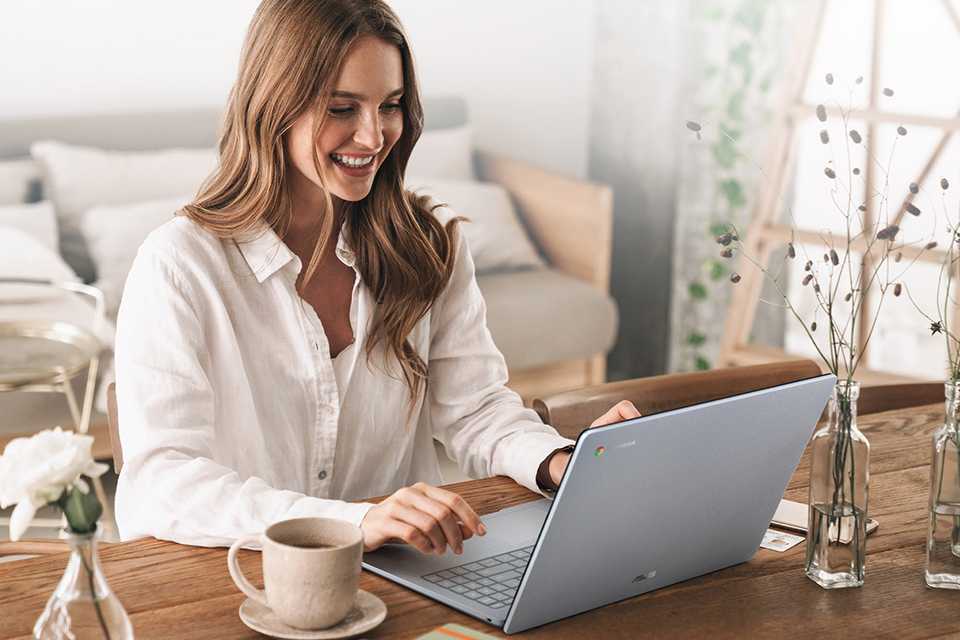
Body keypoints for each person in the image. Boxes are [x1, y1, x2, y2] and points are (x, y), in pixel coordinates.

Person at [113, 0, 640, 556]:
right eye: (342, 108)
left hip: (411, 574)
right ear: (273, 105)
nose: (372, 137)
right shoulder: (180, 265)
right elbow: (160, 483)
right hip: (246, 578)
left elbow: (476, 408)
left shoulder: (430, 243)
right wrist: (352, 522)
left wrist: (559, 462)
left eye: (389, 106)